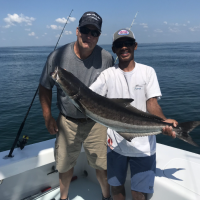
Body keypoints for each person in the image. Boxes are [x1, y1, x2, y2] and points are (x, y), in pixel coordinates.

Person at [90, 28, 178, 200]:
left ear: (135, 46)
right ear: (114, 49)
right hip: (115, 144)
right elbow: (90, 98)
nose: (124, 48)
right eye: (119, 45)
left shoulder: (147, 72)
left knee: (138, 194)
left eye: (128, 43)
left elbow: (152, 103)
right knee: (116, 188)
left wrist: (164, 121)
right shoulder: (107, 75)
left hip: (143, 147)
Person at [39, 11, 114, 200]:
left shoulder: (106, 58)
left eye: (94, 32)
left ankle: (107, 197)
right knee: (64, 165)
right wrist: (47, 116)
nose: (88, 35)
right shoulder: (56, 57)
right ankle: (63, 198)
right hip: (67, 121)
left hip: (96, 122)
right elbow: (44, 86)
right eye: (85, 30)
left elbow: (112, 93)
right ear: (77, 31)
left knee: (101, 165)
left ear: (98, 36)